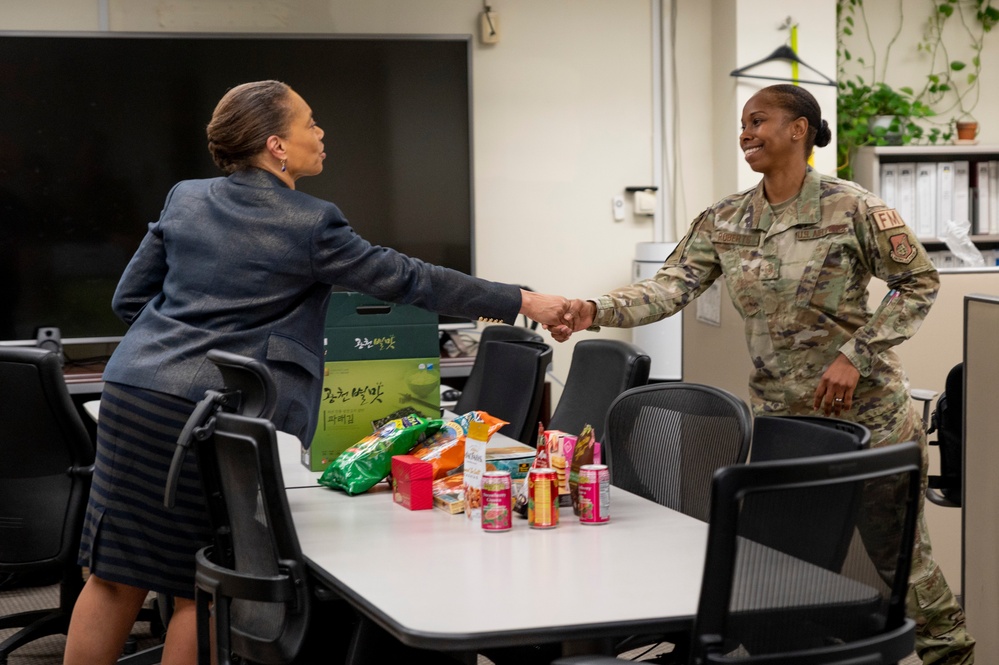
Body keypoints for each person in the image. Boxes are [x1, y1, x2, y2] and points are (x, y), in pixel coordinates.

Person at [63, 79, 569, 665]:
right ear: (277, 145)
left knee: (114, 574)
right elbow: (409, 278)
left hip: (129, 392)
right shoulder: (310, 222)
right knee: (196, 586)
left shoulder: (187, 198)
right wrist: (523, 300)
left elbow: (130, 299)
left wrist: (182, 336)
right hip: (201, 415)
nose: (321, 133)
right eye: (310, 123)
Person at [552, 84, 974, 665]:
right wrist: (594, 310)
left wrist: (858, 353)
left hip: (869, 420)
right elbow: (667, 287)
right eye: (743, 123)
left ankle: (952, 656)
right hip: (784, 422)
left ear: (799, 129)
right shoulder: (726, 218)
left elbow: (920, 282)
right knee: (777, 576)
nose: (746, 132)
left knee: (903, 564)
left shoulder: (854, 208)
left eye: (759, 120)